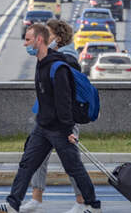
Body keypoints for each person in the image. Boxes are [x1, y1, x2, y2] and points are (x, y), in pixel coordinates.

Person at [0, 23, 101, 213]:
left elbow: (64, 101)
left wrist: (67, 131)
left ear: (40, 40)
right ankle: (12, 204)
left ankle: (93, 205)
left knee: (74, 167)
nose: (25, 44)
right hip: (43, 126)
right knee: (27, 164)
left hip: (59, 128)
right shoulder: (42, 63)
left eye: (28, 40)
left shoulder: (58, 67)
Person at [20, 20, 84, 213]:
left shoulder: (68, 57)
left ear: (57, 37)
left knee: (70, 161)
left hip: (63, 119)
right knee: (36, 157)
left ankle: (83, 203)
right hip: (48, 118)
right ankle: (36, 200)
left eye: (47, 34)